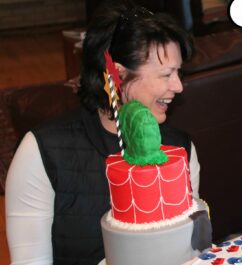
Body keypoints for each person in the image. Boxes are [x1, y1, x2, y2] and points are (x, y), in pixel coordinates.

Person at [6, 1, 201, 264]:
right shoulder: (43, 152)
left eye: (179, 72)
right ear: (117, 75)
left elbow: (190, 247)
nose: (178, 86)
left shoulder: (179, 150)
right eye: (166, 74)